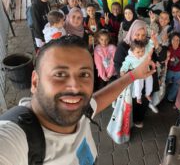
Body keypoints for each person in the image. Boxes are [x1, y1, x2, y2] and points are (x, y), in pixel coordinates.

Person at [0, 35, 156, 164]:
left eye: (84, 74)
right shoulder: (16, 139)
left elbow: (98, 100)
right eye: (60, 74)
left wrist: (133, 75)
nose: (75, 87)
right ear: (35, 82)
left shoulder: (81, 111)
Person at [114, 20, 167, 127]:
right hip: (131, 80)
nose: (140, 38)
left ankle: (138, 119)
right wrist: (133, 74)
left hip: (148, 76)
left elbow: (162, 58)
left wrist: (156, 44)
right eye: (137, 34)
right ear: (132, 32)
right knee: (131, 101)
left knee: (143, 100)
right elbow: (118, 65)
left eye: (143, 35)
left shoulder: (148, 44)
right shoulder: (123, 46)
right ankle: (127, 120)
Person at [120, 39, 158, 113]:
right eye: (138, 52)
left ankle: (147, 94)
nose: (141, 53)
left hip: (147, 71)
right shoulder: (130, 58)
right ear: (132, 51)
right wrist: (123, 70)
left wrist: (151, 40)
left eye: (142, 51)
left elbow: (149, 47)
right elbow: (125, 64)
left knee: (150, 81)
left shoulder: (145, 52)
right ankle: (138, 97)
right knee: (138, 85)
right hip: (138, 74)